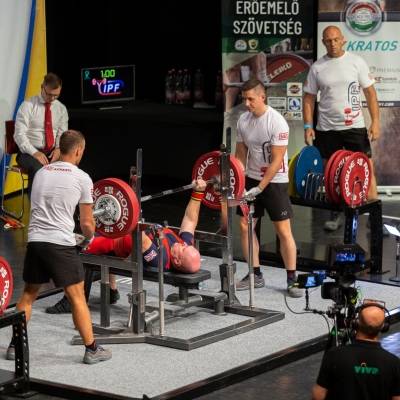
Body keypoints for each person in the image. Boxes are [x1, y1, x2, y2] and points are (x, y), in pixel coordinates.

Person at [5, 130, 111, 365]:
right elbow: (87, 223)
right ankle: (92, 349)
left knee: (28, 295)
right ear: (78, 150)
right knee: (77, 297)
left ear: (58, 149)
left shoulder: (41, 172)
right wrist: (89, 238)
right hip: (60, 244)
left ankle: (14, 346)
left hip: (35, 241)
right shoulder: (82, 177)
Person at [45, 179, 206, 312]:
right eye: (186, 245)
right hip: (118, 230)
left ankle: (71, 301)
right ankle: (111, 291)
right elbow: (190, 219)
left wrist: (125, 208)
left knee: (70, 248)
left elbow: (141, 239)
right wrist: (198, 193)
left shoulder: (160, 260)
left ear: (177, 260)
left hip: (113, 242)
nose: (182, 244)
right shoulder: (184, 246)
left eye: (183, 249)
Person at [303, 25, 380, 231]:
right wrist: (308, 126)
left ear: (343, 40)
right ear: (323, 42)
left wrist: (375, 122)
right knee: (332, 174)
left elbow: (370, 93)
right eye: (328, 40)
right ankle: (337, 215)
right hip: (327, 129)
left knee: (366, 169)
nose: (333, 43)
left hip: (354, 126)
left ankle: (374, 218)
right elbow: (309, 98)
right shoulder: (317, 67)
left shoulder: (356, 62)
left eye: (336, 39)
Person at [234, 78, 302, 298]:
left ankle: (292, 279)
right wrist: (238, 181)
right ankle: (255, 274)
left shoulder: (277, 122)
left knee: (283, 231)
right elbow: (240, 155)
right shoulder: (243, 120)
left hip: (275, 181)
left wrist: (260, 187)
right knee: (245, 225)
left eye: (251, 99)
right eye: (244, 99)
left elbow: (277, 160)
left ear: (262, 97)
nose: (247, 104)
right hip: (251, 179)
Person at [312, 301, 400, 400]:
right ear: (383, 327)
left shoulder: (334, 355)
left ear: (356, 323)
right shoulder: (394, 363)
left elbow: (318, 396)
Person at [14, 72, 68, 193]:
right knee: (38, 168)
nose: (52, 98)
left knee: (69, 165)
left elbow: (62, 133)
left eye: (56, 95)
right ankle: (35, 204)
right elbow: (19, 135)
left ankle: (60, 202)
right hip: (28, 152)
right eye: (49, 94)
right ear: (42, 87)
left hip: (51, 151)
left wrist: (58, 148)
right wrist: (35, 153)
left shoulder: (61, 109)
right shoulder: (27, 106)